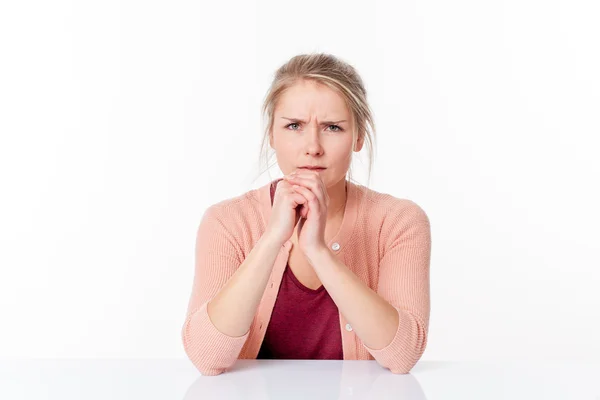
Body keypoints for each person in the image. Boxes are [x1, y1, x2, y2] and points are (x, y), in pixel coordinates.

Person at [181, 53, 432, 376]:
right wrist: (273, 239)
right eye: (294, 126)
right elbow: (206, 356)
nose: (312, 146)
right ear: (272, 135)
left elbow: (402, 356)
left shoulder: (399, 222)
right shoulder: (226, 221)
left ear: (357, 137)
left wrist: (318, 251)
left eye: (332, 127)